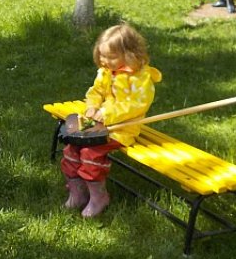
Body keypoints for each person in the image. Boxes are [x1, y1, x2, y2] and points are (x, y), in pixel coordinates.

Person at [61, 24, 162, 218]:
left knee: (91, 153)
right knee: (72, 148)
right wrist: (92, 105)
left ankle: (99, 197)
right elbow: (96, 91)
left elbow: (135, 105)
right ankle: (78, 193)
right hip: (99, 122)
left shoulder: (141, 78)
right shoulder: (107, 71)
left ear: (130, 53)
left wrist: (108, 114)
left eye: (111, 57)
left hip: (122, 128)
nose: (105, 61)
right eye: (102, 56)